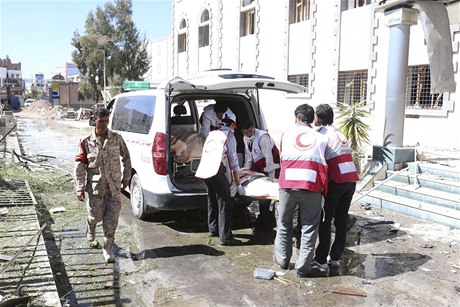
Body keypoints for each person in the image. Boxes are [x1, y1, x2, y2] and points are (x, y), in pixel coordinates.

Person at [274, 103, 328, 278]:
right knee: (309, 227)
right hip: (311, 186)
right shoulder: (321, 138)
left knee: (284, 223)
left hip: (288, 184)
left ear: (297, 118)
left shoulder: (286, 133)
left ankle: (282, 261)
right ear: (312, 119)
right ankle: (303, 268)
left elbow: (282, 157)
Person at [74, 108, 132, 263]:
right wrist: (79, 187)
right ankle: (91, 227)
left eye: (107, 121)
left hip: (114, 188)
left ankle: (107, 249)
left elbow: (126, 158)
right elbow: (80, 166)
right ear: (94, 120)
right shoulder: (86, 142)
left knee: (112, 219)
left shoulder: (116, 139)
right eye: (101, 121)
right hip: (95, 189)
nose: (104, 124)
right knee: (96, 216)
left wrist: (126, 177)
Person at [312, 103, 359, 273]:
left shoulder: (322, 134)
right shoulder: (339, 132)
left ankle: (320, 259)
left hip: (336, 181)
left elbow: (320, 159)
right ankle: (335, 258)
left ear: (318, 118)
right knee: (341, 220)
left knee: (325, 220)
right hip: (350, 179)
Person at [196, 117, 245, 246]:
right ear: (232, 125)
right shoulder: (229, 136)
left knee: (212, 199)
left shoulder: (212, 133)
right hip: (215, 170)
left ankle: (213, 229)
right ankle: (226, 238)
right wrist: (238, 184)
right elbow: (234, 161)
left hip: (204, 169)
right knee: (225, 203)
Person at [239, 120, 280, 232]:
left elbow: (269, 159)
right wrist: (245, 171)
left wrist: (271, 178)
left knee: (267, 197)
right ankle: (263, 219)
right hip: (259, 166)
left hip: (271, 166)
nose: (249, 134)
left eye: (250, 131)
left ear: (253, 128)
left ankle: (268, 222)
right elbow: (248, 156)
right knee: (260, 196)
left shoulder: (263, 138)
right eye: (246, 132)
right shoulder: (246, 138)